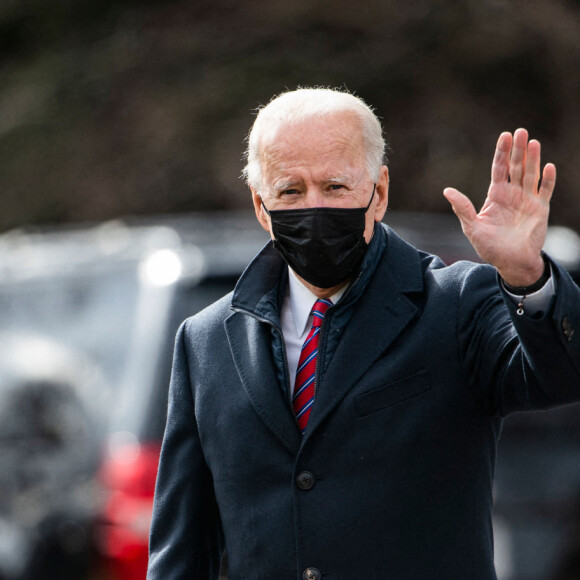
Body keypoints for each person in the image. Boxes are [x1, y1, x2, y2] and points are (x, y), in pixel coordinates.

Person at [147, 88, 580, 579]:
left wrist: (528, 277)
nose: (314, 207)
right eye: (291, 190)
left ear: (379, 192)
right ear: (261, 205)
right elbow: (181, 549)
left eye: (335, 187)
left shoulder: (457, 304)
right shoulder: (205, 340)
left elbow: (562, 375)